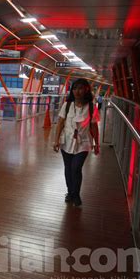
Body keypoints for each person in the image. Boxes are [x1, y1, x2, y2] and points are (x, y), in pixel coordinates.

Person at [53, 79, 100, 207]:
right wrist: (56, 140)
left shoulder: (91, 107)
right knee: (68, 168)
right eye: (74, 88)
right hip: (66, 141)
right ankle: (70, 192)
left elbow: (94, 127)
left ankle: (76, 194)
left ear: (86, 90)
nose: (77, 91)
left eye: (80, 88)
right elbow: (60, 123)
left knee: (76, 168)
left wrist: (97, 144)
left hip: (83, 142)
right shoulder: (67, 105)